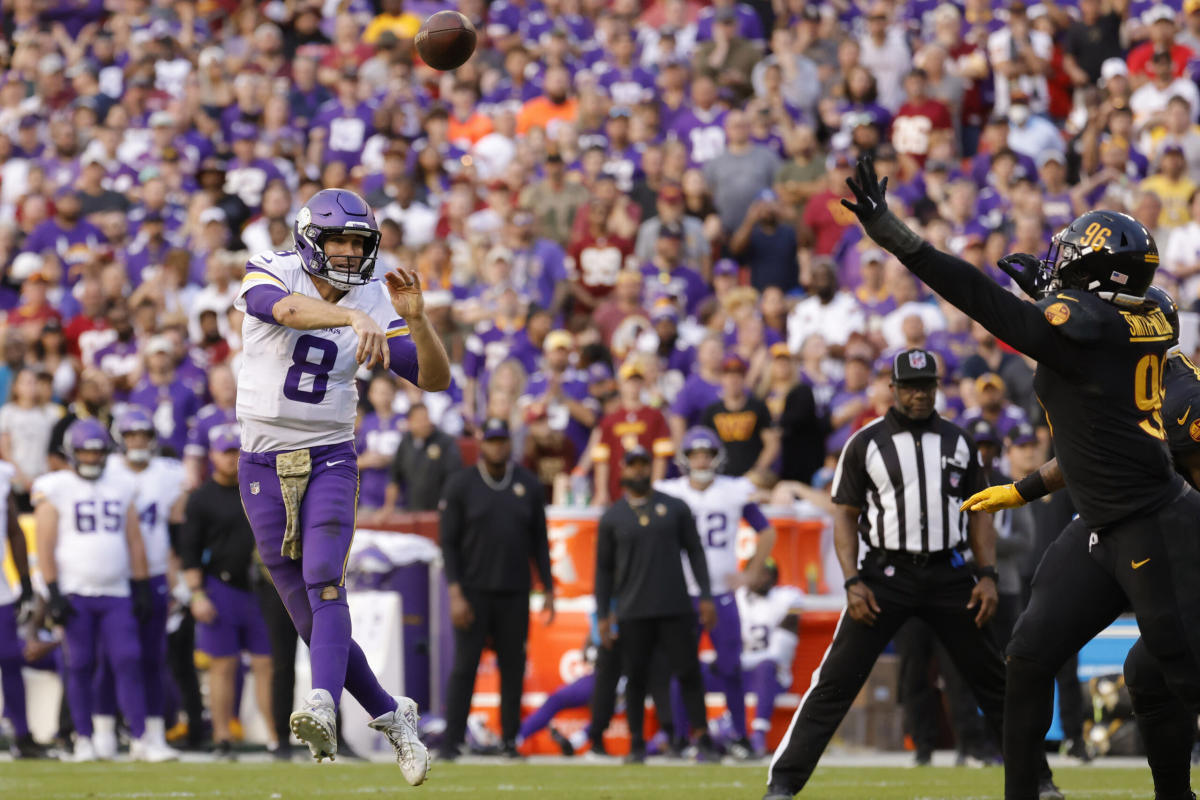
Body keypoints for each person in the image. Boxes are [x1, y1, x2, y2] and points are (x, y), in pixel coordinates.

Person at [842, 156, 1195, 800]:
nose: (1056, 261)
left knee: (1171, 671)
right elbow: (1098, 421)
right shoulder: (1150, 313)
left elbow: (979, 297)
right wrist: (1027, 487)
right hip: (1101, 517)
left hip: (1155, 526)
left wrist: (898, 238)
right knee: (1028, 657)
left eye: (1070, 257)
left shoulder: (1079, 330)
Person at [763, 349, 1057, 799]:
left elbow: (980, 513)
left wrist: (987, 574)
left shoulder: (959, 441)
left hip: (949, 572)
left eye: (927, 386)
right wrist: (851, 580)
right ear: (894, 389)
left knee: (994, 682)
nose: (919, 395)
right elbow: (844, 514)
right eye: (911, 386)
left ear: (936, 388)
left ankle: (1038, 779)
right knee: (835, 681)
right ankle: (783, 783)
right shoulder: (865, 442)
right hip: (885, 573)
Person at [233, 188, 449, 782]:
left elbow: (433, 379)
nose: (351, 253)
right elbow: (282, 311)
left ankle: (322, 704)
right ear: (310, 240)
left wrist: (421, 322)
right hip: (260, 460)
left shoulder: (376, 298)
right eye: (340, 241)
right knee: (306, 615)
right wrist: (352, 315)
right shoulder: (272, 270)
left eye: (359, 242)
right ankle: (389, 713)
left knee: (325, 577)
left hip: (329, 452)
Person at [33, 419, 171, 762]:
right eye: (85, 452)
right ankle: (84, 738)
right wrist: (52, 591)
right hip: (75, 592)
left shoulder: (121, 484)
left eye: (97, 452)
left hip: (117, 592)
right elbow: (45, 545)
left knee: (128, 659)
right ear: (71, 453)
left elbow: (134, 541)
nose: (92, 459)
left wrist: (140, 585)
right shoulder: (56, 487)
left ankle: (140, 738)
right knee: (79, 664)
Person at [655, 426, 777, 757]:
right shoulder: (670, 492)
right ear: (685, 459)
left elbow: (766, 532)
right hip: (683, 594)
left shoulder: (733, 490)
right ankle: (682, 736)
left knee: (730, 667)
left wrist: (751, 572)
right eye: (695, 454)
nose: (701, 460)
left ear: (716, 458)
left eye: (706, 454)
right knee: (682, 669)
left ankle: (738, 734)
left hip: (722, 593)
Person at [437, 417, 553, 760]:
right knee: (465, 666)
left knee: (513, 667)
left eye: (503, 440)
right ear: (481, 443)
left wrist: (547, 587)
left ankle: (509, 740)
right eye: (492, 440)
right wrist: (455, 592)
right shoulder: (461, 484)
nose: (497, 446)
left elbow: (540, 542)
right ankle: (452, 740)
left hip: (514, 591)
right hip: (473, 591)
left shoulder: (528, 485)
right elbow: (448, 543)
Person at [594, 445, 717, 764]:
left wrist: (705, 595)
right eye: (632, 465)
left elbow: (695, 551)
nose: (638, 471)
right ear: (622, 469)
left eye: (643, 464)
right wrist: (603, 615)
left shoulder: (674, 507)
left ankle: (702, 737)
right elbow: (603, 570)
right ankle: (637, 742)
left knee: (689, 672)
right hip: (633, 609)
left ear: (651, 468)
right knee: (635, 677)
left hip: (675, 605)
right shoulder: (612, 517)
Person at [91, 408, 186, 760]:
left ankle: (152, 733)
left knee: (152, 657)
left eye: (143, 435)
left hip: (157, 573)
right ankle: (102, 731)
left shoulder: (168, 474)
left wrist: (177, 579)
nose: (138, 442)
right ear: (120, 439)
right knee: (108, 658)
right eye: (131, 436)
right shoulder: (108, 473)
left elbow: (178, 530)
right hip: (117, 576)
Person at [181, 427, 276, 760]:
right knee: (223, 666)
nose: (231, 458)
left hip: (259, 589)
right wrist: (196, 594)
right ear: (212, 456)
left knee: (267, 664)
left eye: (237, 451)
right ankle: (222, 736)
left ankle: (274, 737)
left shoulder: (257, 489)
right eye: (225, 451)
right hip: (220, 587)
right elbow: (189, 551)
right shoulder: (202, 497)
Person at [736, 561, 801, 758]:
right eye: (756, 572)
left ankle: (758, 735)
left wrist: (741, 661)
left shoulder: (789, 599)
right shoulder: (735, 599)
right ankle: (678, 735)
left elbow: (779, 653)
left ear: (774, 577)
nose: (760, 578)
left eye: (766, 573)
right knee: (693, 670)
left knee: (766, 666)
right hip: (739, 673)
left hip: (773, 676)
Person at [0, 455, 41, 758]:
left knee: (10, 660)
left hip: (0, 589)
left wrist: (25, 581)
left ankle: (22, 734)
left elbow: (14, 529)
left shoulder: (3, 476)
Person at [379, 402, 462, 515]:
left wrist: (447, 502)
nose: (424, 423)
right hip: (413, 509)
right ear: (409, 423)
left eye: (426, 418)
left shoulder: (445, 442)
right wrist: (389, 506)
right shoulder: (405, 442)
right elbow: (394, 477)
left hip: (440, 511)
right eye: (419, 420)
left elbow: (455, 477)